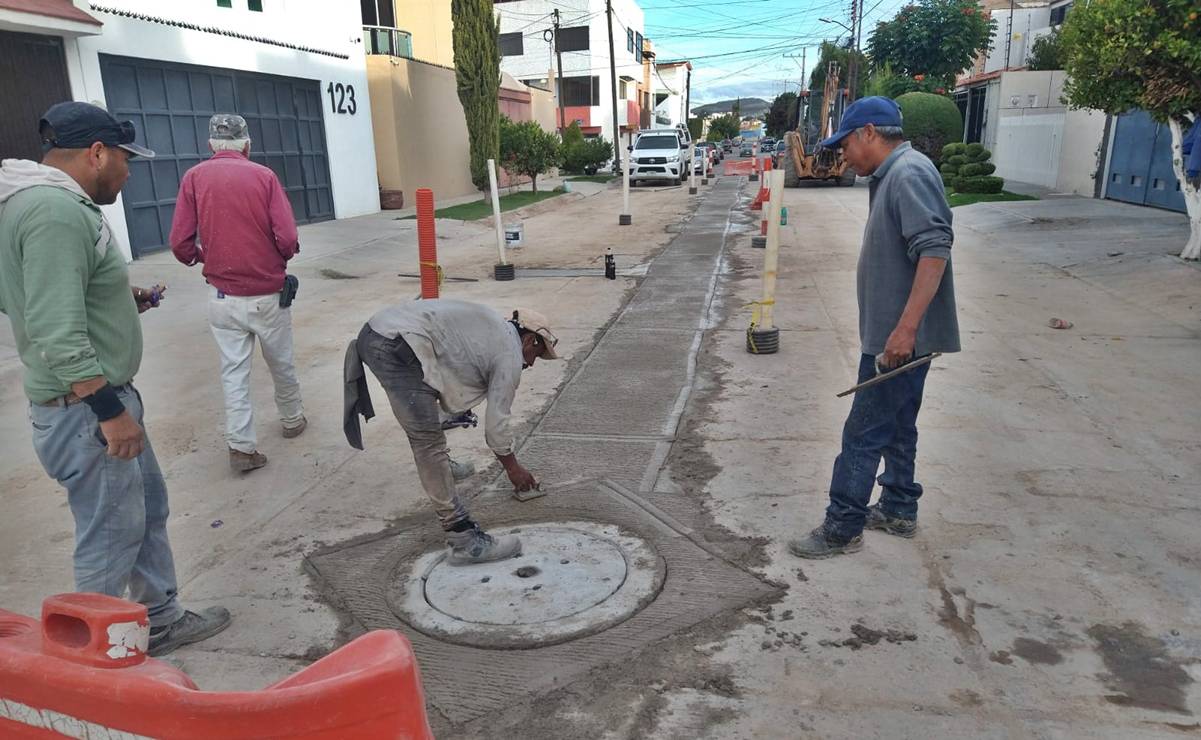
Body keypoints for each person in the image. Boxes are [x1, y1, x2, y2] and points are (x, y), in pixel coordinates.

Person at [0, 102, 230, 654]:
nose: (129, 175)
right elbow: (55, 330)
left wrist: (115, 301)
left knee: (146, 510)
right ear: (97, 153)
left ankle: (161, 617)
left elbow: (31, 297)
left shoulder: (25, 202)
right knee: (109, 535)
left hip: (93, 401)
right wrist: (109, 411)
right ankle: (90, 658)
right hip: (86, 410)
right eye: (125, 161)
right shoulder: (55, 211)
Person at [789, 96, 960, 559]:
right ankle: (900, 507)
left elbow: (934, 249)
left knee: (862, 432)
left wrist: (905, 331)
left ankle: (842, 526)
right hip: (896, 336)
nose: (841, 154)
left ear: (867, 132)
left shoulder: (909, 172)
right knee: (899, 424)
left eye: (844, 143)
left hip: (898, 338)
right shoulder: (894, 174)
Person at [343, 300, 558, 565]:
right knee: (426, 441)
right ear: (530, 341)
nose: (532, 364)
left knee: (430, 412)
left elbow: (451, 378)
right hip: (395, 346)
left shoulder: (492, 328)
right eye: (536, 356)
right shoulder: (510, 354)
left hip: (381, 332)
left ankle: (443, 469)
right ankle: (462, 538)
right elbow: (496, 424)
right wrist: (513, 468)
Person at [169, 114, 305, 473]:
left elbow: (180, 244)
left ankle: (242, 447)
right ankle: (292, 420)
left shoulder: (194, 178)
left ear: (211, 145)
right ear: (246, 144)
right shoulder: (264, 177)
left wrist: (202, 256)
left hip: (222, 298)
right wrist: (280, 257)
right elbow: (288, 238)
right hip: (268, 295)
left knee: (233, 373)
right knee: (281, 362)